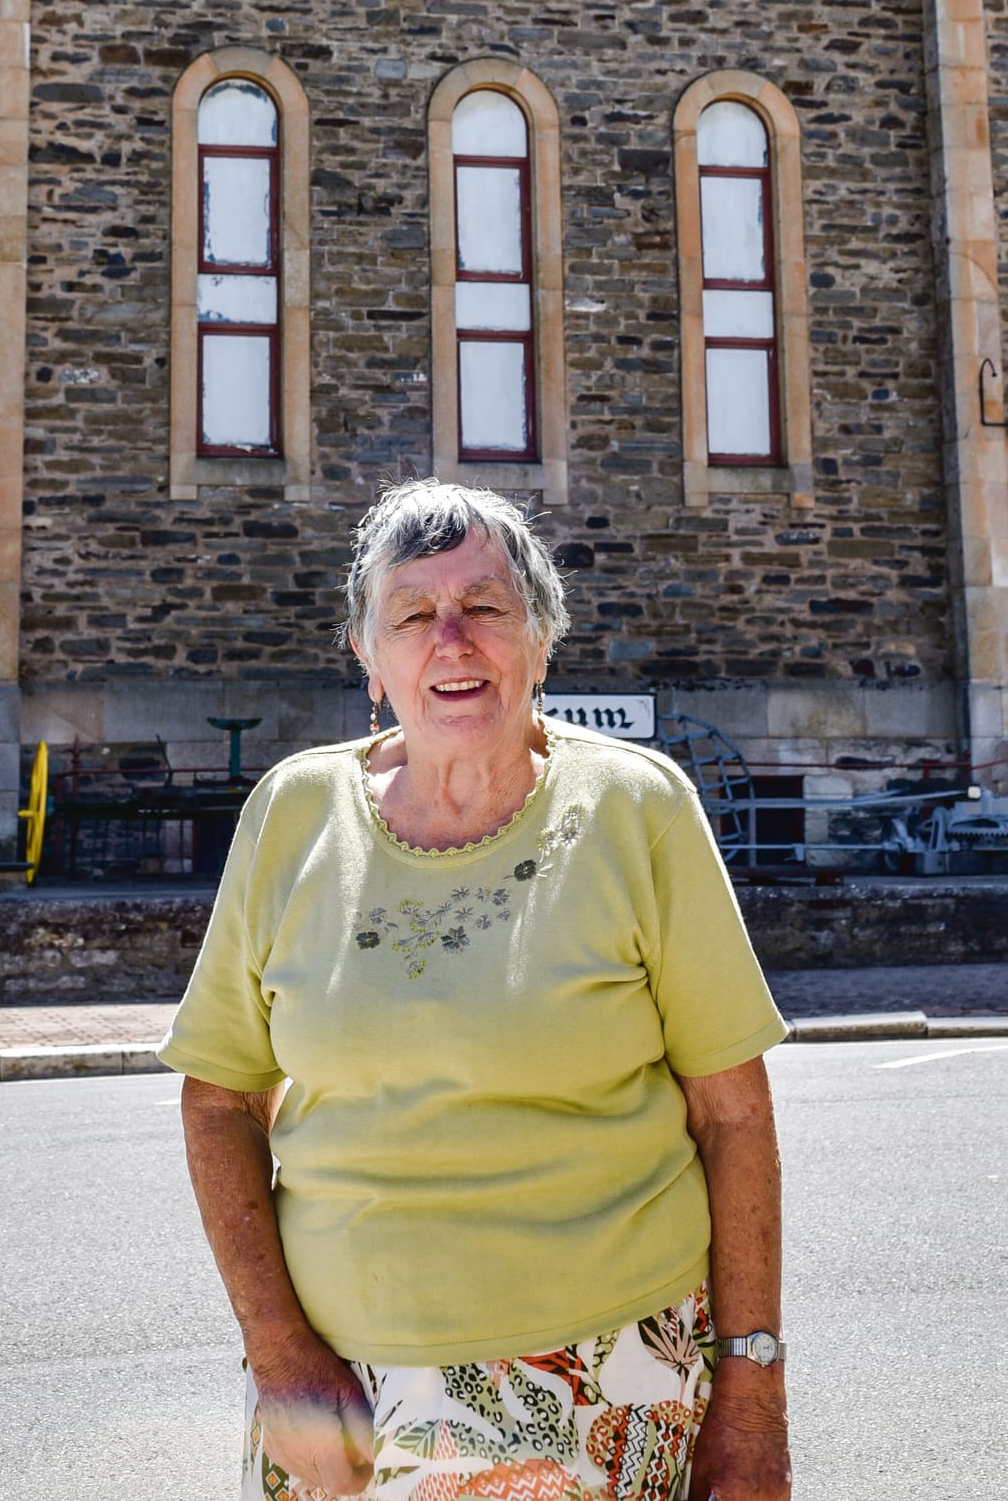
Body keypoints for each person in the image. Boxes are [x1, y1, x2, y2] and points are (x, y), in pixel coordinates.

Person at [161, 479, 792, 1501]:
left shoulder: (636, 810)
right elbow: (221, 1100)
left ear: (538, 640)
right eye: (411, 613)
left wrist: (753, 1393)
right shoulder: (292, 815)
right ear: (368, 657)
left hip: (608, 1383)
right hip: (340, 1396)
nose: (449, 639)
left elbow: (731, 1116)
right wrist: (277, 1348)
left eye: (485, 608)